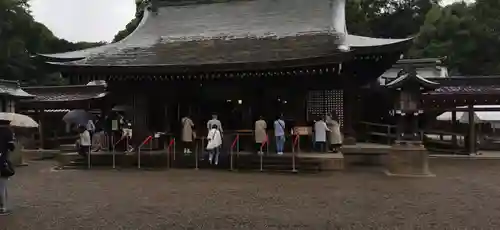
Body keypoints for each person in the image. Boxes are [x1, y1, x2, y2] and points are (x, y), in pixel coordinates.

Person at [0, 120, 15, 215]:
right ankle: (2, 207)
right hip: (1, 161)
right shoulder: (7, 131)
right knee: (2, 185)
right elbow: (11, 147)